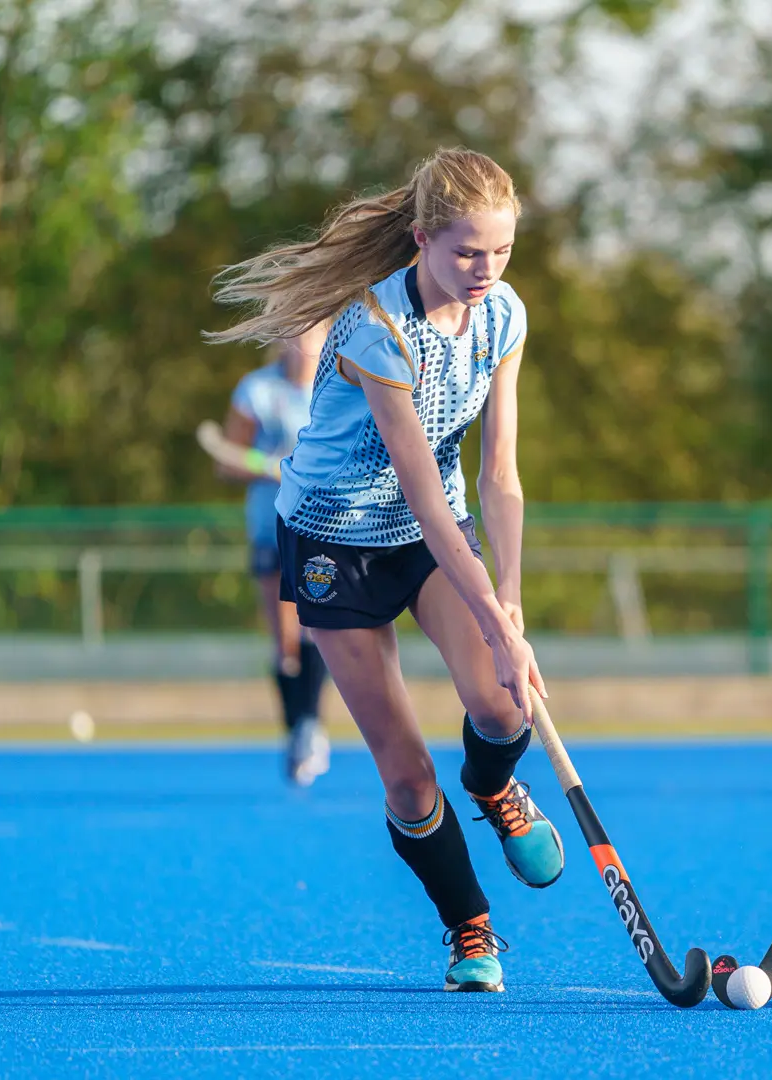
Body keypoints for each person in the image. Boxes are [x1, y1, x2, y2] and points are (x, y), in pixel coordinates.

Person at [207, 148, 560, 993]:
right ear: (422, 240)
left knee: (504, 703)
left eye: (501, 251)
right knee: (405, 774)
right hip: (334, 543)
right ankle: (470, 930)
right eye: (467, 252)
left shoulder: (505, 315)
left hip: (429, 531)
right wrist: (488, 612)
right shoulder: (375, 330)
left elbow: (498, 472)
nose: (486, 270)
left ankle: (495, 790)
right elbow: (422, 494)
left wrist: (506, 607)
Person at [216, 327, 333, 786]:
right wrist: (271, 466)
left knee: (315, 629)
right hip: (270, 527)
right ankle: (297, 730)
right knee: (284, 639)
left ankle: (310, 725)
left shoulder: (338, 385)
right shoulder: (257, 390)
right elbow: (227, 460)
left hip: (322, 528)